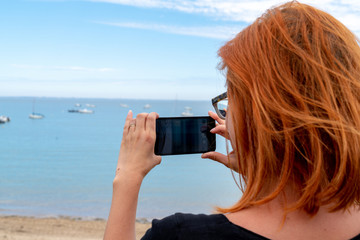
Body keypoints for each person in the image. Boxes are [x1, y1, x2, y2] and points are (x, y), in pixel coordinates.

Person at [104, 1, 360, 239]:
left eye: (230, 98)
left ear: (256, 111)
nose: (225, 112)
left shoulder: (181, 235)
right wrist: (268, 167)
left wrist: (127, 176)